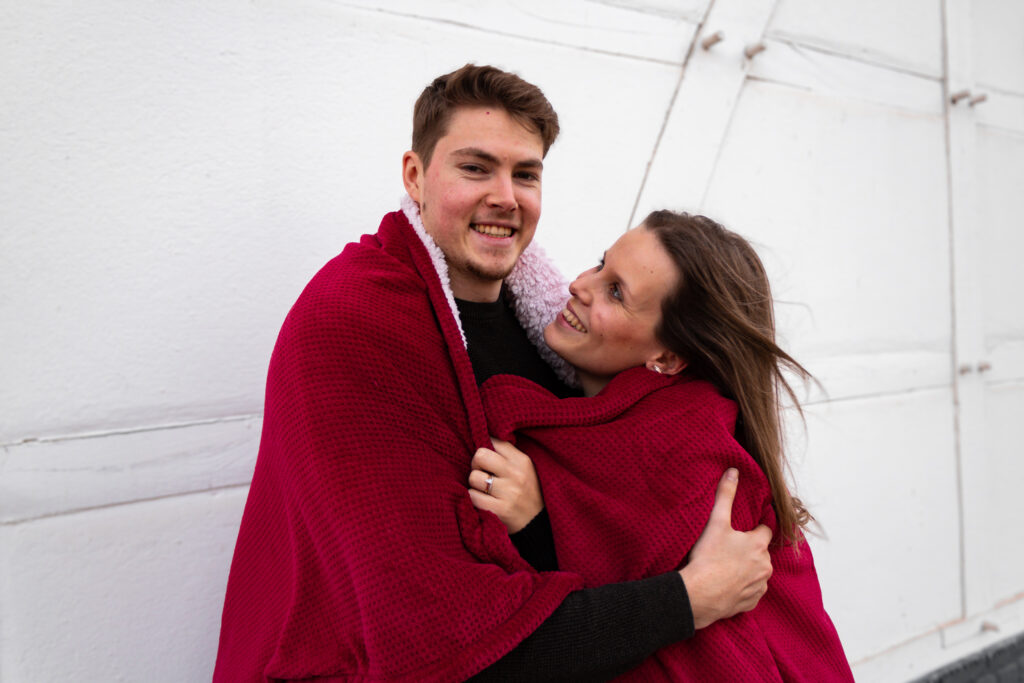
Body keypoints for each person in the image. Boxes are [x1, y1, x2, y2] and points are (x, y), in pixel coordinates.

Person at [214, 64, 774, 682]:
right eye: (476, 168)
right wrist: (689, 599)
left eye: (526, 173)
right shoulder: (355, 323)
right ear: (415, 176)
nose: (506, 196)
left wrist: (546, 518)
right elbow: (443, 641)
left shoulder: (547, 333)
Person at [468, 211, 854, 680]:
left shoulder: (687, 448)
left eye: (616, 292)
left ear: (667, 358)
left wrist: (538, 520)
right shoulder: (591, 427)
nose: (579, 286)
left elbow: (712, 640)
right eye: (599, 264)